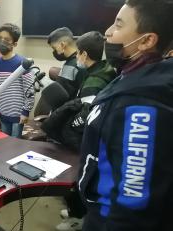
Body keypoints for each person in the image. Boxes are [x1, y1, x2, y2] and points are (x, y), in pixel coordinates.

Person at [78, 0, 173, 230]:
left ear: (147, 40)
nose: (108, 32)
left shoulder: (142, 105)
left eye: (118, 25)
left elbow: (133, 205)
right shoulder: (130, 77)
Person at [41, 31, 117, 231]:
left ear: (84, 54)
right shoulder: (105, 69)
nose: (76, 58)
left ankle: (77, 217)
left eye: (78, 54)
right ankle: (77, 210)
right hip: (93, 135)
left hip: (86, 138)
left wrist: (65, 128)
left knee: (79, 175)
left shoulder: (94, 82)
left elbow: (84, 117)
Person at [0, 23, 35, 138]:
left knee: (15, 147)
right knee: (5, 144)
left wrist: (26, 111)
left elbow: (29, 89)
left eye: (6, 39)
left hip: (18, 116)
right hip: (3, 115)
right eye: (0, 38)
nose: (2, 41)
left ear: (15, 43)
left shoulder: (22, 63)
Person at [36, 27, 87, 116]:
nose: (54, 52)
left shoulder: (73, 65)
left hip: (67, 115)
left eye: (54, 48)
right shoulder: (71, 62)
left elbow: (62, 98)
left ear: (62, 45)